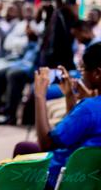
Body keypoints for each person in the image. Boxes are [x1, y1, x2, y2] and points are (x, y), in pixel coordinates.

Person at [33, 43, 101, 188]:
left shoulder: (89, 108)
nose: (81, 73)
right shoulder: (89, 108)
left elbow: (46, 143)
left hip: (59, 179)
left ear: (97, 73)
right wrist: (70, 96)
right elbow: (77, 135)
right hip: (91, 182)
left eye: (83, 69)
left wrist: (40, 96)